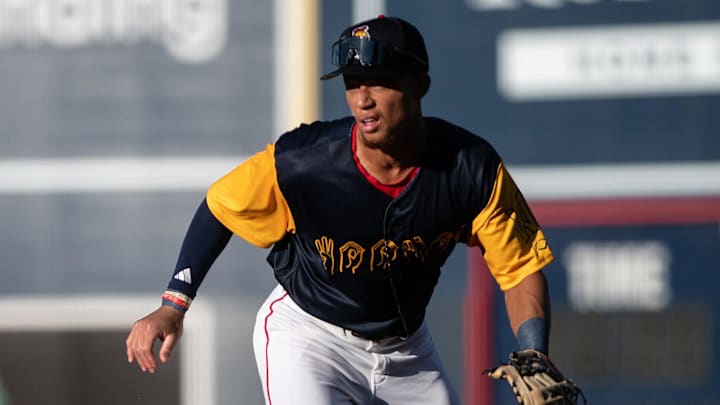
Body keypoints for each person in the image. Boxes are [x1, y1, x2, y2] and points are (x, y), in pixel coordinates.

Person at [126, 15, 554, 405]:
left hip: (407, 353)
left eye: (379, 80)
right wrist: (173, 304)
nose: (363, 98)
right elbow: (220, 205)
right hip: (311, 338)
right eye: (352, 81)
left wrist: (534, 352)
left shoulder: (469, 167)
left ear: (419, 84)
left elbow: (518, 269)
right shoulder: (303, 161)